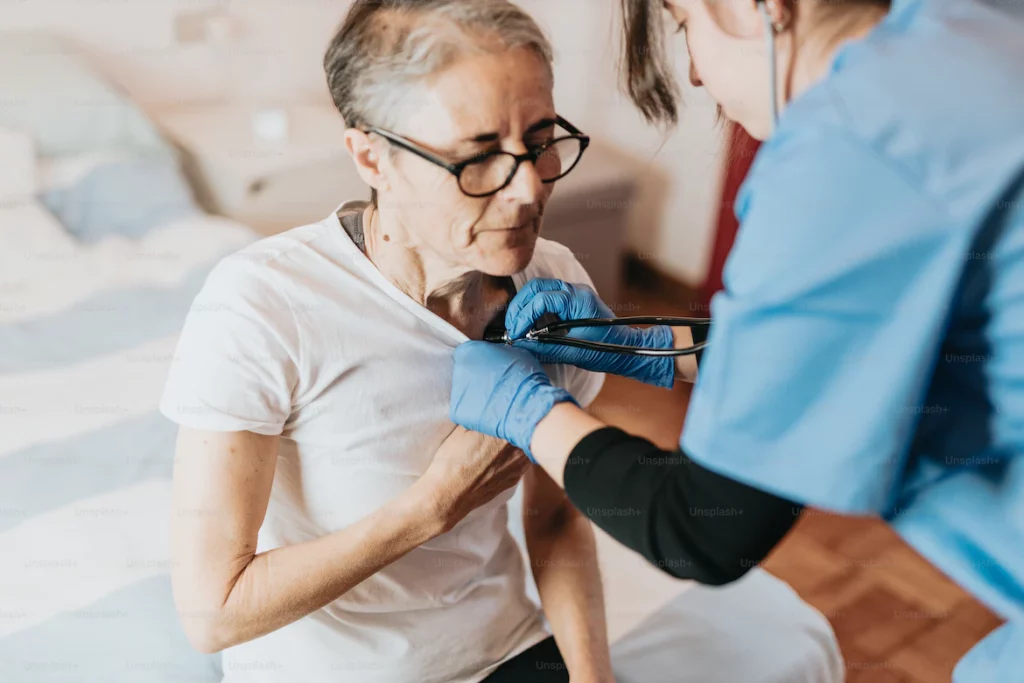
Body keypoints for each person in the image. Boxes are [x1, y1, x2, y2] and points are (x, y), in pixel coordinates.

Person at [448, 0, 1024, 681]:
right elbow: (826, 351)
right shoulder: (974, 34)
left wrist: (528, 409)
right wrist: (638, 343)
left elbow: (703, 527)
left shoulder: (852, 147)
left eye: (684, 26)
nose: (692, 72)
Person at [159, 2, 617, 682]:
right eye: (480, 156)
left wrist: (593, 677)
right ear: (372, 158)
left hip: (505, 648)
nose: (527, 189)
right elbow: (212, 611)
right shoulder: (261, 306)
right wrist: (429, 508)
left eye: (542, 138)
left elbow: (554, 524)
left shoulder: (554, 284)